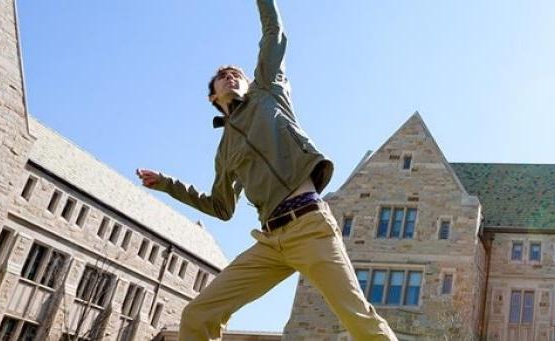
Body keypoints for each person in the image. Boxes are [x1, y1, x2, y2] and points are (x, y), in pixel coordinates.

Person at [136, 1, 397, 340]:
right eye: (222, 77)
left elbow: (274, 33)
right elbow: (221, 207)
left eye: (236, 74)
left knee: (358, 318)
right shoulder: (224, 150)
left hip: (309, 227)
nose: (231, 77)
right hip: (269, 241)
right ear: (213, 96)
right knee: (198, 314)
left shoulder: (268, 92)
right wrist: (167, 185)